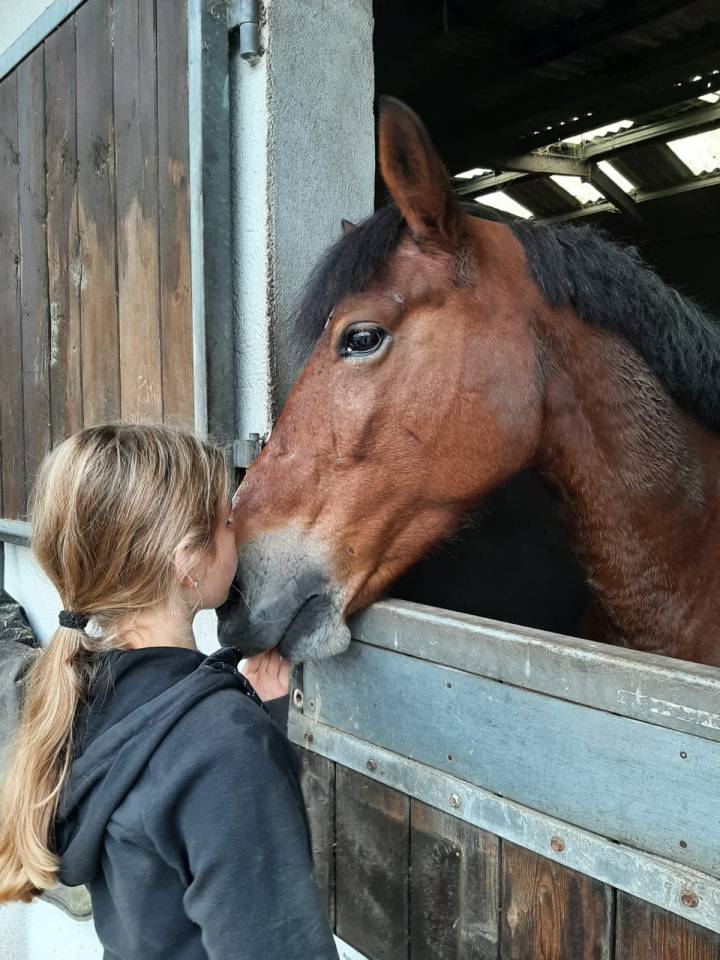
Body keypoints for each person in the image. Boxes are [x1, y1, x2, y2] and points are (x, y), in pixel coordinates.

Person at [0, 423, 338, 960]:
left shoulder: (84, 696)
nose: (241, 536)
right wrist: (241, 736)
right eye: (228, 523)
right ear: (186, 561)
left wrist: (245, 716)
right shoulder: (221, 748)